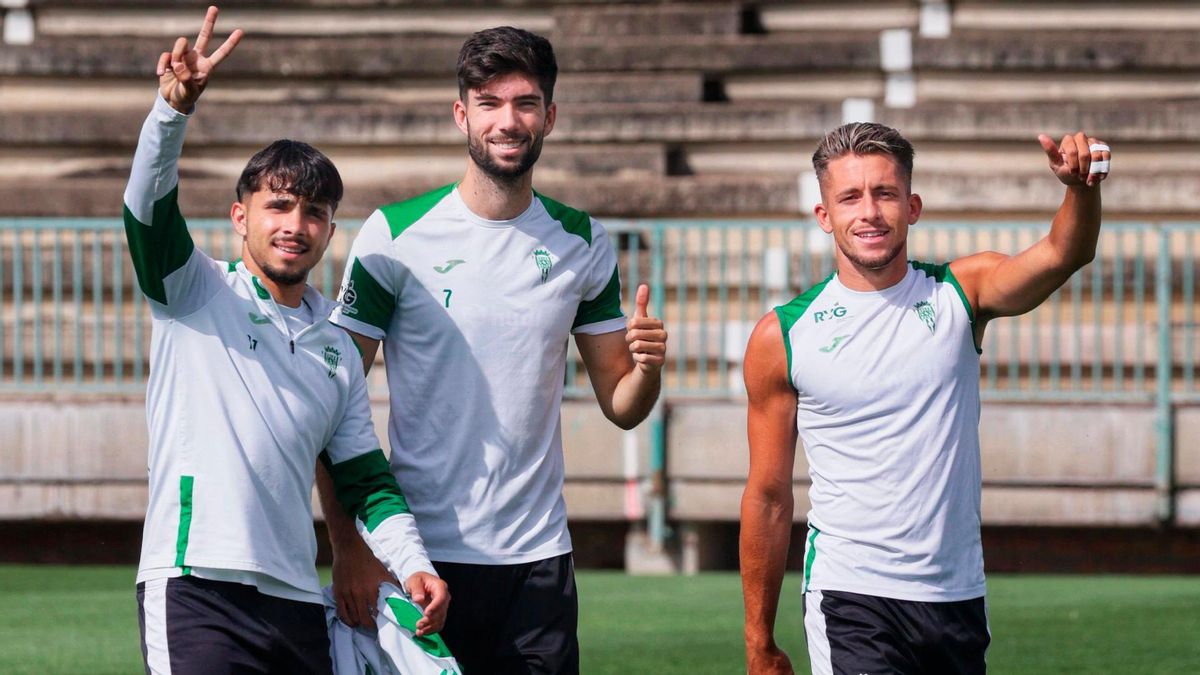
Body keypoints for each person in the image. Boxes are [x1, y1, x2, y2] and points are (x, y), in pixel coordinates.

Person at [317, 25, 668, 674]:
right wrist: (349, 546)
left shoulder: (582, 242)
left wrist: (646, 369)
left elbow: (622, 403)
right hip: (418, 557)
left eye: (525, 103)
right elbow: (330, 403)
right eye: (490, 102)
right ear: (462, 115)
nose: (508, 121)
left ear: (550, 116)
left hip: (538, 564)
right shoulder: (393, 237)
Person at [125, 7, 447, 673]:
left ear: (330, 231)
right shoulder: (195, 292)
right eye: (277, 205)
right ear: (240, 217)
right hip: (195, 587)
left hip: (298, 601)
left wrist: (413, 564)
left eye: (315, 212)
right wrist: (171, 113)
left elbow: (366, 482)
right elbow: (147, 209)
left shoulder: (336, 348)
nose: (294, 224)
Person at [739, 122, 1110, 674]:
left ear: (912, 206)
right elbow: (769, 496)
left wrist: (1080, 189)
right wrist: (759, 641)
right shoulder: (784, 336)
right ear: (825, 216)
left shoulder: (963, 290)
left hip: (956, 596)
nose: (868, 211)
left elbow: (1064, 253)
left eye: (884, 193)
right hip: (850, 595)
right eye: (850, 197)